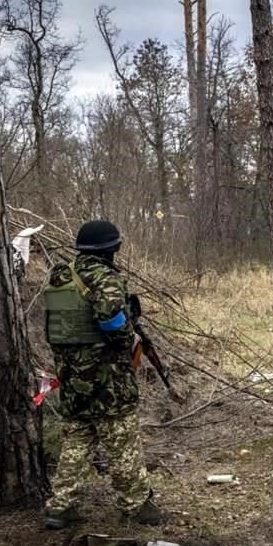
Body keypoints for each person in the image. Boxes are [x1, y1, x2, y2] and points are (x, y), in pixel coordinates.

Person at [42, 220, 165, 529]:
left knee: (78, 438)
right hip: (106, 378)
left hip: (71, 377)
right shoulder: (104, 278)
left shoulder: (60, 275)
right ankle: (136, 506)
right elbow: (114, 324)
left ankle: (59, 506)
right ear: (112, 249)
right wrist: (128, 335)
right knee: (121, 440)